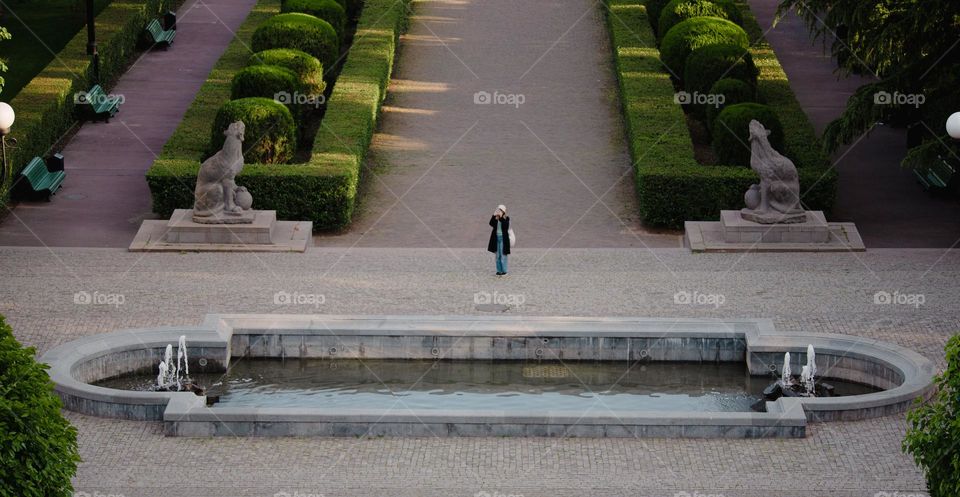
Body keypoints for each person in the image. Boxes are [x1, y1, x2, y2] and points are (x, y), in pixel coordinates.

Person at [487, 205, 510, 275]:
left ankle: (504, 270)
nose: (499, 211)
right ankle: (499, 270)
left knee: (503, 255)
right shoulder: (496, 218)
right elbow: (491, 223)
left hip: (503, 239)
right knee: (497, 255)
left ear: (503, 211)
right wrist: (494, 216)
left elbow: (505, 227)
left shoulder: (506, 218)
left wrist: (500, 218)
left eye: (500, 210)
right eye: (498, 210)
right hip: (496, 238)